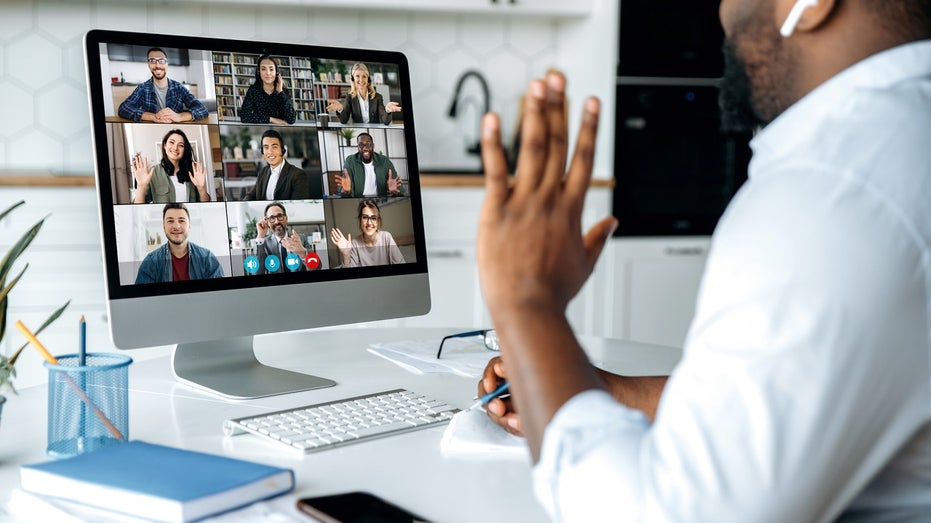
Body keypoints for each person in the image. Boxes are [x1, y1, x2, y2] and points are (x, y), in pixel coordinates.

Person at [475, 2, 931, 521]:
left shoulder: (830, 194)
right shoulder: (904, 140)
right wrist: (601, 389)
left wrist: (527, 303)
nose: (721, 12)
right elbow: (783, 401)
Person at [135, 203, 224, 284]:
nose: (176, 226)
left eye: (181, 221)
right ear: (163, 226)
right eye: (170, 221)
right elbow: (143, 299)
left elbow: (220, 295)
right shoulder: (151, 262)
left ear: (189, 225)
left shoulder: (207, 258)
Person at [118, 47, 208, 123]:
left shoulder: (179, 88)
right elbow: (123, 109)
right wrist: (153, 117)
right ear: (148, 64)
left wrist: (179, 117)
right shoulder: (142, 88)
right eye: (152, 61)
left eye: (161, 61)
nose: (157, 65)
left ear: (167, 64)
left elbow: (202, 109)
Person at [131, 128, 210, 204]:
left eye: (181, 145)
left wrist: (202, 189)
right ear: (165, 145)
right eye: (172, 142)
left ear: (185, 149)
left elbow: (206, 206)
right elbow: (138, 208)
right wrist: (141, 187)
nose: (175, 148)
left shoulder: (193, 172)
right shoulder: (153, 173)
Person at [330, 199, 404, 267]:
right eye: (365, 217)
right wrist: (346, 255)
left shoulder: (386, 237)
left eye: (373, 218)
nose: (369, 223)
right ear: (360, 220)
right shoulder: (354, 244)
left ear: (378, 221)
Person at [241, 129, 310, 201]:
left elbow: (299, 206)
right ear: (262, 152)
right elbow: (251, 195)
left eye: (274, 147)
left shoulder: (298, 175)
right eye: (266, 147)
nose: (270, 151)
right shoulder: (263, 172)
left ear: (282, 150)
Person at [325, 62, 401, 125]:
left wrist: (387, 110)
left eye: (364, 76)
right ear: (353, 79)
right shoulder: (350, 98)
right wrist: (340, 109)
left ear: (368, 79)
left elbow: (386, 121)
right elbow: (344, 120)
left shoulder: (377, 97)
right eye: (357, 76)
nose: (361, 80)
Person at [253, 202, 316, 273]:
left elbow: (317, 267)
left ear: (286, 218)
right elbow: (257, 272)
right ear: (267, 222)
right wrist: (260, 236)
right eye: (272, 218)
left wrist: (303, 254)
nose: (276, 222)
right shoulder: (264, 243)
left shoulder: (301, 239)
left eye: (279, 216)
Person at [336, 132, 402, 197]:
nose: (364, 148)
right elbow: (343, 188)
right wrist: (346, 191)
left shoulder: (384, 161)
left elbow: (399, 190)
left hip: (379, 200)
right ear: (358, 147)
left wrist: (394, 191)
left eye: (368, 144)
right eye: (361, 145)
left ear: (373, 146)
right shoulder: (350, 161)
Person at [239, 54, 296, 125]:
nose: (268, 73)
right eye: (263, 69)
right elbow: (244, 116)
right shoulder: (253, 90)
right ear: (259, 72)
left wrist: (280, 92)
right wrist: (271, 119)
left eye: (271, 69)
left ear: (277, 72)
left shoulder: (283, 91)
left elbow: (291, 119)